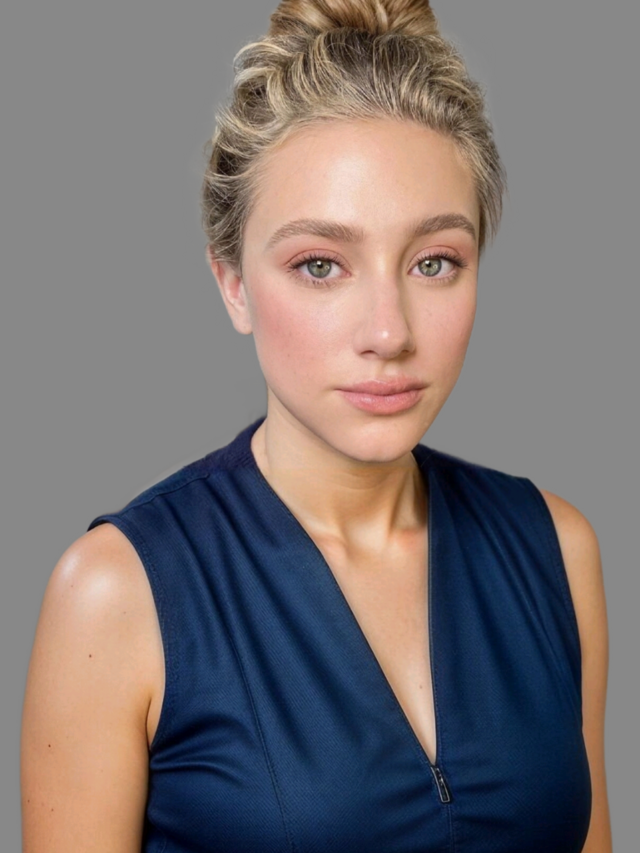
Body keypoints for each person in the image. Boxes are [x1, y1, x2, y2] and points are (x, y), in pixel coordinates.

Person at [20, 1, 611, 851]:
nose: (389, 331)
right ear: (233, 283)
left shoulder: (554, 548)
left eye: (434, 261)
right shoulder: (117, 593)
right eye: (321, 265)